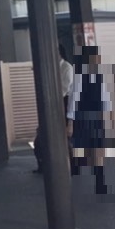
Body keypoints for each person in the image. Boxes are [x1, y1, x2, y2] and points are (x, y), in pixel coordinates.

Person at [67, 45, 115, 197]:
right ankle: (94, 179)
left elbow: (75, 99)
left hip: (89, 117)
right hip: (90, 117)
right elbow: (75, 99)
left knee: (88, 147)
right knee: (91, 149)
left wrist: (70, 120)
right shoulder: (88, 75)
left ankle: (88, 177)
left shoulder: (88, 75)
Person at [36, 42, 74, 175]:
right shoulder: (52, 68)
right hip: (53, 103)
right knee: (43, 136)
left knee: (64, 137)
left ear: (59, 53)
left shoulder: (66, 67)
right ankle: (43, 165)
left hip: (62, 102)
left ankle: (72, 166)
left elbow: (65, 89)